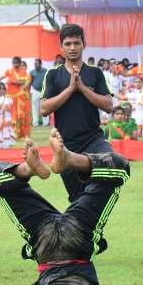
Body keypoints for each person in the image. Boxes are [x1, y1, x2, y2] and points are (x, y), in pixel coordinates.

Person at [0, 130, 135, 285]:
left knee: (119, 170)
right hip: (54, 240)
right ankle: (66, 160)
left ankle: (36, 167)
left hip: (62, 239)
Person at [40, 24, 114, 202]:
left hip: (94, 140)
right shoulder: (52, 75)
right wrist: (70, 89)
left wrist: (82, 87)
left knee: (112, 165)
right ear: (61, 47)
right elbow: (43, 109)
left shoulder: (95, 73)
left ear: (84, 44)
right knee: (77, 199)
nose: (72, 48)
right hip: (65, 145)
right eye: (68, 44)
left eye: (76, 43)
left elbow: (109, 105)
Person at [0, 57, 32, 140]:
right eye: (13, 63)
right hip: (10, 97)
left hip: (20, 97)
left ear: (19, 63)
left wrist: (12, 81)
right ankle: (14, 134)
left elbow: (24, 82)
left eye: (16, 63)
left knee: (21, 116)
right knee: (12, 116)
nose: (15, 65)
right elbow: (1, 77)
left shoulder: (24, 72)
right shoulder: (9, 71)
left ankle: (24, 134)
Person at [29, 58, 49, 127]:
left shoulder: (46, 71)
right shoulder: (32, 72)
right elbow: (30, 82)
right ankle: (35, 123)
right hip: (35, 91)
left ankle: (46, 123)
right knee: (35, 108)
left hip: (44, 91)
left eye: (37, 64)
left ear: (40, 64)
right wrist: (28, 92)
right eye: (34, 64)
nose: (35, 65)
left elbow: (48, 81)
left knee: (45, 107)